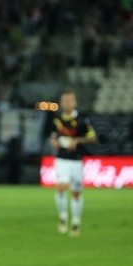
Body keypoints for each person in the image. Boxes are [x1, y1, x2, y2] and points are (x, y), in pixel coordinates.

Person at [49, 88, 96, 236]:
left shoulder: (82, 119)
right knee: (61, 187)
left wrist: (78, 140)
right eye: (65, 101)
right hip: (62, 159)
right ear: (62, 102)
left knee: (76, 192)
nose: (67, 103)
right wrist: (54, 142)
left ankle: (76, 221)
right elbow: (53, 137)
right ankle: (63, 217)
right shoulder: (57, 120)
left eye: (70, 100)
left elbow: (92, 137)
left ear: (74, 102)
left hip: (76, 160)